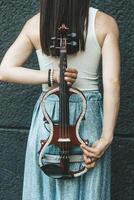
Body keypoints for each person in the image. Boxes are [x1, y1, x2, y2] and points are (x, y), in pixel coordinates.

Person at [0, 0, 120, 199]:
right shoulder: (104, 23)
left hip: (49, 121)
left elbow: (4, 70)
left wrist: (48, 77)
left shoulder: (35, 24)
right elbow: (112, 82)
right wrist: (106, 137)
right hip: (87, 117)